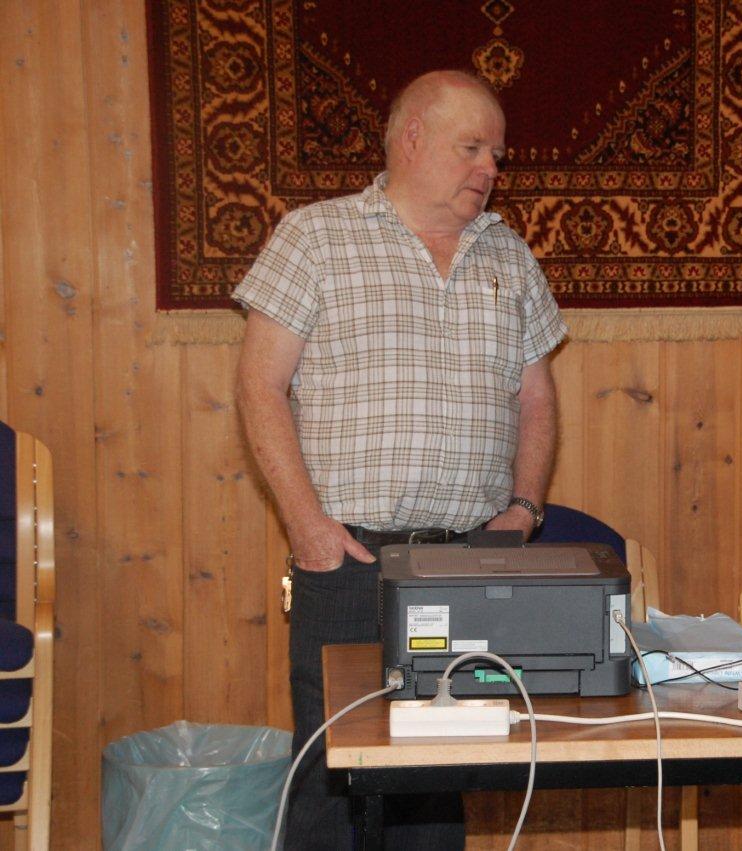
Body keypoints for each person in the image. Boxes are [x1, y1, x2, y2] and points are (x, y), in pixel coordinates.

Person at [234, 69, 566, 850]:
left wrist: (524, 508)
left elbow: (537, 398)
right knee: (328, 774)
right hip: (348, 557)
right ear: (411, 139)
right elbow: (258, 386)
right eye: (472, 147)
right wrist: (307, 526)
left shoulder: (508, 253)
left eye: (497, 154)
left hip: (463, 562)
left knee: (436, 783)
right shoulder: (315, 238)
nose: (490, 168)